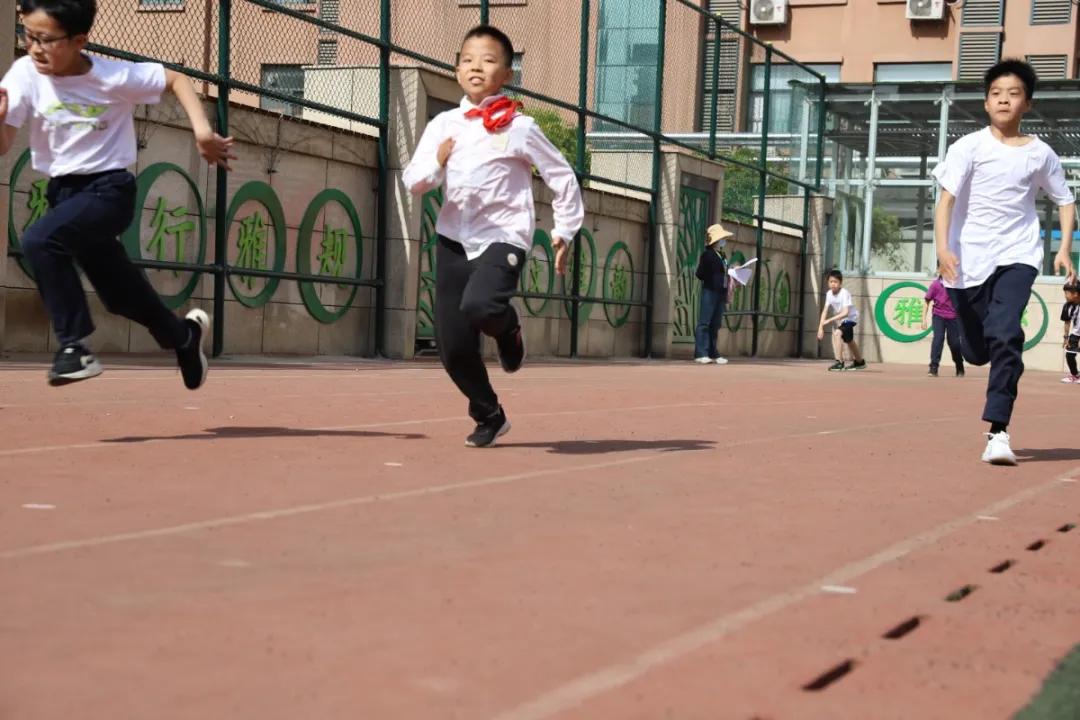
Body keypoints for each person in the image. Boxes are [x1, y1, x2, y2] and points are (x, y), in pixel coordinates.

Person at [0, 0, 235, 388]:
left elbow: (176, 80)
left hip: (109, 191)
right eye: (29, 36)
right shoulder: (25, 74)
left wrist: (202, 132)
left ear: (79, 41)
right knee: (120, 295)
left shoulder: (113, 76)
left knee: (41, 240)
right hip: (63, 194)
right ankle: (184, 338)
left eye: (46, 39)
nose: (35, 48)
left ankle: (74, 347)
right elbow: (4, 144)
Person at [402, 24, 583, 448]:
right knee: (453, 347)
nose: (475, 67)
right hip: (452, 238)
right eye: (467, 60)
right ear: (456, 70)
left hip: (505, 236)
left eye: (487, 60)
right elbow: (414, 180)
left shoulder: (520, 127)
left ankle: (508, 329)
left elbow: (561, 176)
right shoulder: (443, 124)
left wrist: (565, 230)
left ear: (506, 73)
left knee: (482, 305)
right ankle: (489, 413)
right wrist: (437, 164)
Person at [933, 58, 1076, 465]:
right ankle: (975, 345)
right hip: (966, 262)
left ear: (1026, 104)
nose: (1004, 100)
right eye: (996, 94)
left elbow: (1065, 200)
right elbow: (945, 200)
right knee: (977, 351)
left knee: (1007, 333)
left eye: (1013, 94)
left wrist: (1063, 248)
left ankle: (998, 430)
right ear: (985, 102)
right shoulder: (968, 147)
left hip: (1018, 256)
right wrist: (944, 249)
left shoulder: (1040, 153)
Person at [693, 223, 733, 365]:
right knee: (705, 322)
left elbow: (724, 271)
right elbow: (700, 273)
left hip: (720, 292)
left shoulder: (722, 255)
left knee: (715, 323)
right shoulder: (708, 255)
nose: (723, 241)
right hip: (710, 291)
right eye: (721, 238)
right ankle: (701, 352)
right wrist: (712, 277)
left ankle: (712, 352)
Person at [816, 269, 866, 371]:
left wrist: (829, 320)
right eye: (831, 282)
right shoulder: (829, 294)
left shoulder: (844, 293)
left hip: (851, 318)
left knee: (837, 333)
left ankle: (839, 362)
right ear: (828, 282)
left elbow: (845, 312)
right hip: (844, 320)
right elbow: (824, 311)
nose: (833, 284)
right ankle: (860, 362)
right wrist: (820, 328)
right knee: (849, 340)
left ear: (840, 283)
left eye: (836, 282)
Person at [922, 274, 965, 378]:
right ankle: (933, 368)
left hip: (953, 317)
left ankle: (959, 364)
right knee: (938, 339)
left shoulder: (957, 284)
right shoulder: (936, 285)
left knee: (954, 343)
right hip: (938, 316)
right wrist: (923, 319)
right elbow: (926, 301)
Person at [1060, 281, 1080, 384]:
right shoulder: (1067, 306)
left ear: (1075, 294)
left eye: (1066, 293)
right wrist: (1066, 338)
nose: (1065, 296)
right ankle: (1074, 375)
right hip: (1075, 334)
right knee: (1069, 355)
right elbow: (1067, 322)